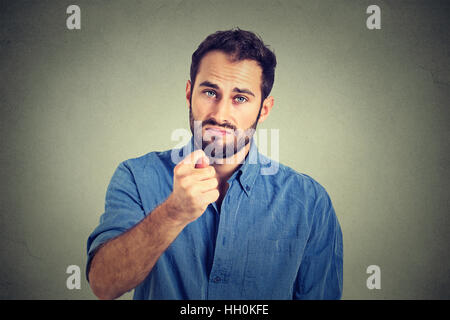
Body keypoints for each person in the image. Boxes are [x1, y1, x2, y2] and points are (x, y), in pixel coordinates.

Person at [86, 28, 343, 300]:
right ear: (189, 93)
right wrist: (173, 213)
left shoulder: (310, 202)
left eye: (240, 98)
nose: (220, 114)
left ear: (264, 109)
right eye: (210, 92)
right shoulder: (136, 176)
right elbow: (103, 285)